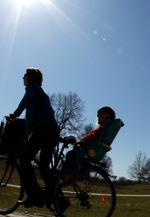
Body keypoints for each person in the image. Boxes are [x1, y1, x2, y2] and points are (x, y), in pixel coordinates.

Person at [9, 68, 60, 208]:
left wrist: (15, 114)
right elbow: (45, 113)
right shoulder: (41, 92)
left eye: (24, 75)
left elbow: (26, 100)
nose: (23, 78)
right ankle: (60, 199)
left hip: (43, 129)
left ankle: (36, 196)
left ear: (29, 78)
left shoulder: (32, 88)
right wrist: (27, 132)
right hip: (52, 130)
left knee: (24, 159)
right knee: (44, 167)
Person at [60, 106, 116, 184]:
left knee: (70, 154)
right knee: (78, 160)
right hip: (94, 151)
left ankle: (68, 176)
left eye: (107, 118)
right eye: (102, 117)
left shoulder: (100, 130)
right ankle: (81, 176)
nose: (104, 119)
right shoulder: (105, 131)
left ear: (110, 120)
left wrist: (82, 140)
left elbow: (92, 137)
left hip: (88, 149)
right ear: (99, 118)